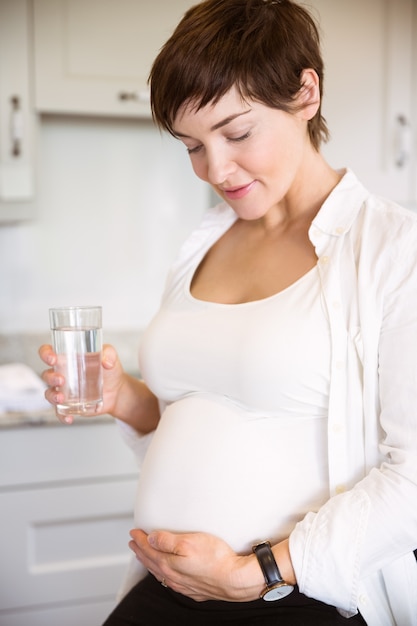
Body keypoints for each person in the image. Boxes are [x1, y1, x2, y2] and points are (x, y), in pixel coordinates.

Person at [39, 0, 417, 624]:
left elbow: (413, 477)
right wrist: (125, 398)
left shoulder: (392, 249)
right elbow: (202, 413)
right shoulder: (203, 242)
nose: (215, 169)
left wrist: (257, 571)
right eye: (192, 145)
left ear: (305, 93)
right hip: (165, 588)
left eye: (237, 133)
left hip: (298, 598)